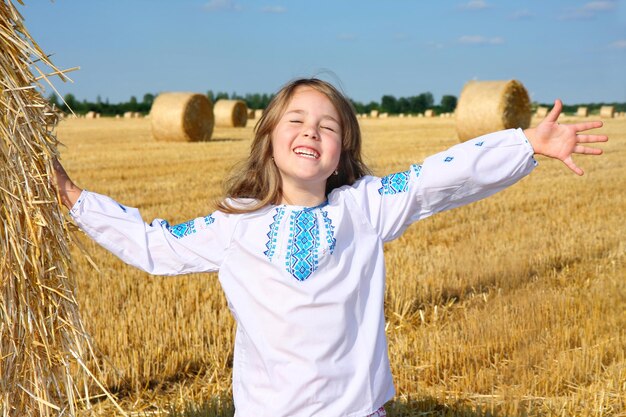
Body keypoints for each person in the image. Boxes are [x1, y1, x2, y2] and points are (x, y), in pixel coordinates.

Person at [53, 78, 607, 417]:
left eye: (328, 126)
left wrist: (524, 143)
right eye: (295, 120)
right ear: (269, 140)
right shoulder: (235, 224)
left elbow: (438, 177)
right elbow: (155, 246)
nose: (310, 130)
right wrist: (75, 198)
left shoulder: (363, 207)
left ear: (341, 154)